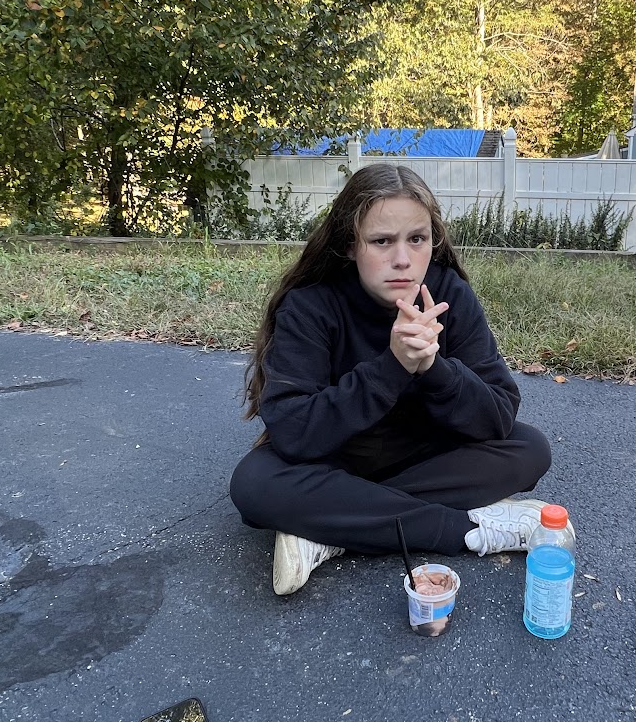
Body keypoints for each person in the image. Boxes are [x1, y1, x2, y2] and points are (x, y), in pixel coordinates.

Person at [229, 164, 553, 594]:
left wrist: (433, 367)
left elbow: (497, 416)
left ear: (433, 241)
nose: (402, 259)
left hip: (424, 454)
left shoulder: (449, 293)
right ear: (350, 245)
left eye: (416, 239)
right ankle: (470, 529)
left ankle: (330, 529)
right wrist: (393, 365)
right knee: (254, 484)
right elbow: (293, 431)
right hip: (335, 456)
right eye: (382, 241)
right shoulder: (310, 306)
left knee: (530, 448)